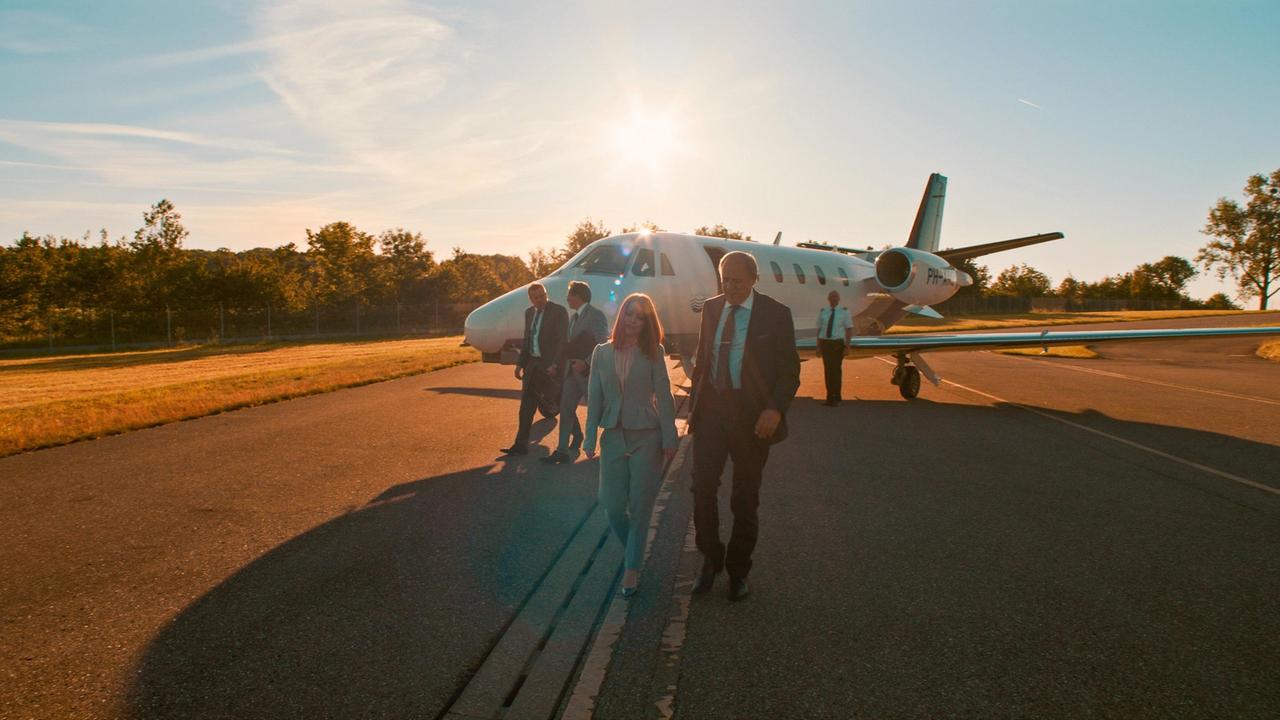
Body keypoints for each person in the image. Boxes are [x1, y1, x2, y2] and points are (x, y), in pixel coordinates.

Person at [688, 251, 800, 601]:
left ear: (753, 279)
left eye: (738, 281)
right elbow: (704, 362)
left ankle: (738, 571)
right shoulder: (710, 308)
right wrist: (693, 407)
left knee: (744, 498)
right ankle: (710, 557)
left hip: (752, 417)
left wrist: (774, 409)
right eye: (726, 280)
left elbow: (789, 371)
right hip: (711, 412)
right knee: (702, 489)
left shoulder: (776, 314)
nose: (731, 287)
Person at [582, 293, 678, 597]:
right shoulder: (601, 353)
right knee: (611, 505)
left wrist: (670, 435)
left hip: (647, 435)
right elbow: (594, 396)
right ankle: (634, 552)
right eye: (630, 314)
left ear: (648, 322)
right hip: (612, 435)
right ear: (621, 316)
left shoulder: (654, 352)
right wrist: (587, 436)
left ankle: (632, 569)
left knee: (640, 506)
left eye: (641, 317)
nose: (634, 321)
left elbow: (664, 395)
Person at [542, 281, 610, 465]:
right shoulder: (573, 318)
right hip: (571, 373)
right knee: (565, 409)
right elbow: (569, 346)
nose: (567, 298)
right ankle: (562, 450)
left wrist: (586, 363)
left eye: (569, 294)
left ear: (579, 296)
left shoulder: (596, 315)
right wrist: (557, 365)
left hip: (589, 373)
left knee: (600, 411)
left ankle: (613, 447)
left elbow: (602, 342)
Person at [501, 283, 568, 456]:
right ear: (531, 299)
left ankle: (576, 436)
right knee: (526, 407)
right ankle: (520, 445)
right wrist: (519, 364)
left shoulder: (558, 311)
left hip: (549, 367)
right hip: (532, 366)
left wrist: (555, 364)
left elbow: (562, 341)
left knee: (558, 403)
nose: (541, 299)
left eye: (543, 295)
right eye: (537, 297)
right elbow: (527, 340)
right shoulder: (529, 313)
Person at [816, 290, 854, 406]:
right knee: (828, 370)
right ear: (828, 299)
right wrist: (818, 347)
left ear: (838, 299)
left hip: (837, 344)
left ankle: (836, 395)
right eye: (831, 297)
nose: (833, 299)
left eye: (835, 297)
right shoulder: (823, 312)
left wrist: (847, 346)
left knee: (836, 370)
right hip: (825, 343)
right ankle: (830, 396)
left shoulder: (844, 312)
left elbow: (849, 329)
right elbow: (819, 329)